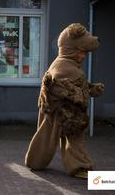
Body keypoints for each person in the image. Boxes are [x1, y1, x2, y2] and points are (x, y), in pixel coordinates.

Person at [24, 23, 105, 179]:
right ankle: (40, 162)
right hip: (59, 111)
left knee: (62, 138)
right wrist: (82, 94)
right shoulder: (63, 66)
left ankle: (39, 162)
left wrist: (91, 89)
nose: (84, 56)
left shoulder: (70, 65)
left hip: (66, 112)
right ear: (72, 50)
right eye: (82, 52)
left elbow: (78, 86)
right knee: (50, 137)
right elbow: (61, 87)